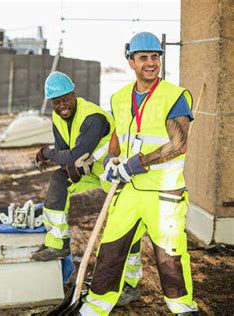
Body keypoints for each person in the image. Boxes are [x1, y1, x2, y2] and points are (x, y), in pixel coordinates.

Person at [79, 32, 198, 315]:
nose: (150, 63)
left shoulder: (175, 96)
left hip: (164, 192)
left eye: (155, 57)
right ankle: (95, 307)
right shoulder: (119, 98)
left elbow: (179, 144)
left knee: (169, 256)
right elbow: (118, 136)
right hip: (128, 190)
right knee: (110, 249)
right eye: (143, 57)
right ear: (130, 61)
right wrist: (111, 160)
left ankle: (182, 308)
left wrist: (135, 164)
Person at [31, 71, 114, 261]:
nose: (61, 106)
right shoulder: (57, 117)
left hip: (112, 172)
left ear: (74, 95)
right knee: (59, 180)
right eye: (56, 102)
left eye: (65, 100)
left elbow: (75, 155)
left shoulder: (92, 117)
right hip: (88, 170)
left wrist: (46, 153)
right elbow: (63, 153)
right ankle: (58, 243)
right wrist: (59, 157)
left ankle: (125, 275)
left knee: (121, 219)